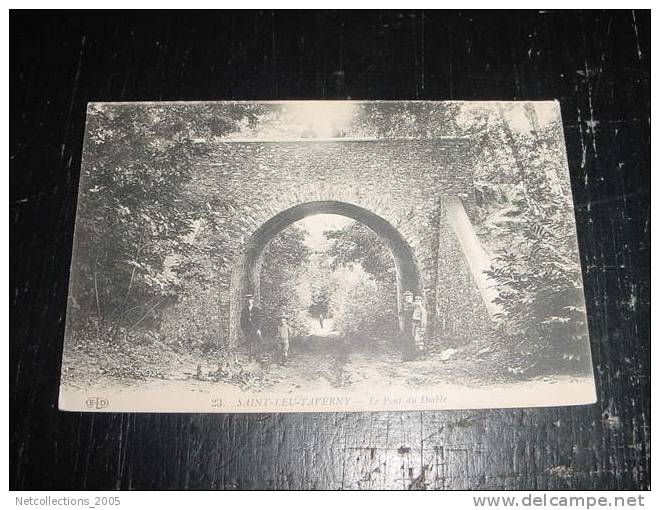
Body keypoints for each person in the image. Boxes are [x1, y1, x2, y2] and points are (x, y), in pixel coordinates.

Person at [240, 293, 262, 359]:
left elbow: (259, 320)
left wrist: (258, 329)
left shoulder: (256, 310)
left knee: (255, 342)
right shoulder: (244, 310)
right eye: (247, 300)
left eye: (250, 300)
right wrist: (243, 329)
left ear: (252, 300)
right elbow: (242, 320)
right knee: (248, 342)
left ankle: (255, 355)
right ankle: (250, 356)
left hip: (254, 328)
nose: (249, 301)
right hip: (247, 329)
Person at [400, 290, 416, 361]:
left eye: (409, 297)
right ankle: (405, 357)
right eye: (406, 297)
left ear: (412, 298)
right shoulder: (404, 305)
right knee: (405, 339)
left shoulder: (415, 305)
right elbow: (401, 314)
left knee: (412, 339)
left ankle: (412, 356)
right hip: (406, 324)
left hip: (413, 323)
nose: (408, 299)